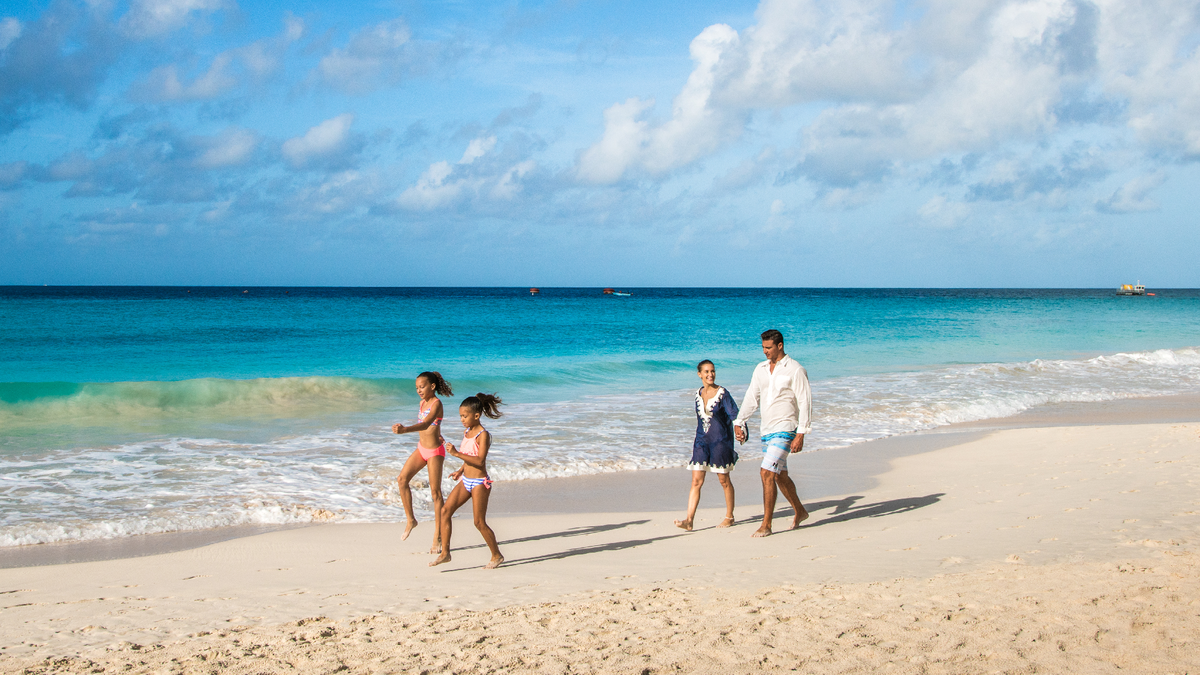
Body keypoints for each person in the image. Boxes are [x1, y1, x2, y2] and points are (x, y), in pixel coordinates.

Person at [733, 329, 812, 537]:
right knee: (780, 476)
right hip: (766, 431)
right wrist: (740, 421)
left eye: (768, 348)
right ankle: (801, 511)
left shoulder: (795, 369)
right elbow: (752, 396)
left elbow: (805, 401)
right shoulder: (760, 369)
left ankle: (766, 524)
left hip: (786, 429)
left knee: (766, 472)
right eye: (763, 348)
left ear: (780, 345)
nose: (765, 351)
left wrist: (801, 433)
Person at [429, 393, 505, 569]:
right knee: (445, 511)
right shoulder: (467, 432)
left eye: (465, 416)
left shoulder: (482, 435)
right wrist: (460, 470)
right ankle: (445, 553)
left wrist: (455, 453)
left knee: (479, 522)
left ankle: (496, 555)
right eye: (460, 416)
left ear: (476, 416)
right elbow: (468, 457)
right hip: (466, 480)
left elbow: (479, 460)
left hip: (479, 483)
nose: (462, 419)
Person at [674, 360, 740, 531]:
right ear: (699, 374)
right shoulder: (697, 394)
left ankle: (729, 516)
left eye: (712, 371)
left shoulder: (723, 393)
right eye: (706, 372)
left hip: (720, 441)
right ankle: (689, 520)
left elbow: (735, 415)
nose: (710, 374)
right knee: (696, 481)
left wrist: (741, 430)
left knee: (724, 480)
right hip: (701, 441)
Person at [393, 371, 453, 552]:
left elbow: (427, 423)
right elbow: (434, 427)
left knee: (435, 493)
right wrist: (439, 434)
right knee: (402, 480)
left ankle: (438, 535)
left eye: (422, 386)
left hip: (435, 452)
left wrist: (405, 430)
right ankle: (411, 519)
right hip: (422, 449)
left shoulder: (437, 403)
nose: (419, 390)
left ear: (432, 386)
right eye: (417, 387)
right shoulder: (422, 403)